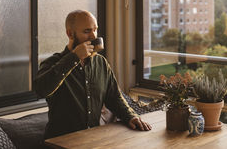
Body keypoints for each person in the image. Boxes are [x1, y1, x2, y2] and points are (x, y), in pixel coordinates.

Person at [34, 10, 151, 139]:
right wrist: (74, 57)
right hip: (60, 142)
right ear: (70, 34)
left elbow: (114, 98)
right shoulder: (52, 63)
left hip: (93, 139)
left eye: (95, 30)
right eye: (87, 31)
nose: (93, 36)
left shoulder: (101, 63)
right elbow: (41, 89)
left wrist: (131, 116)